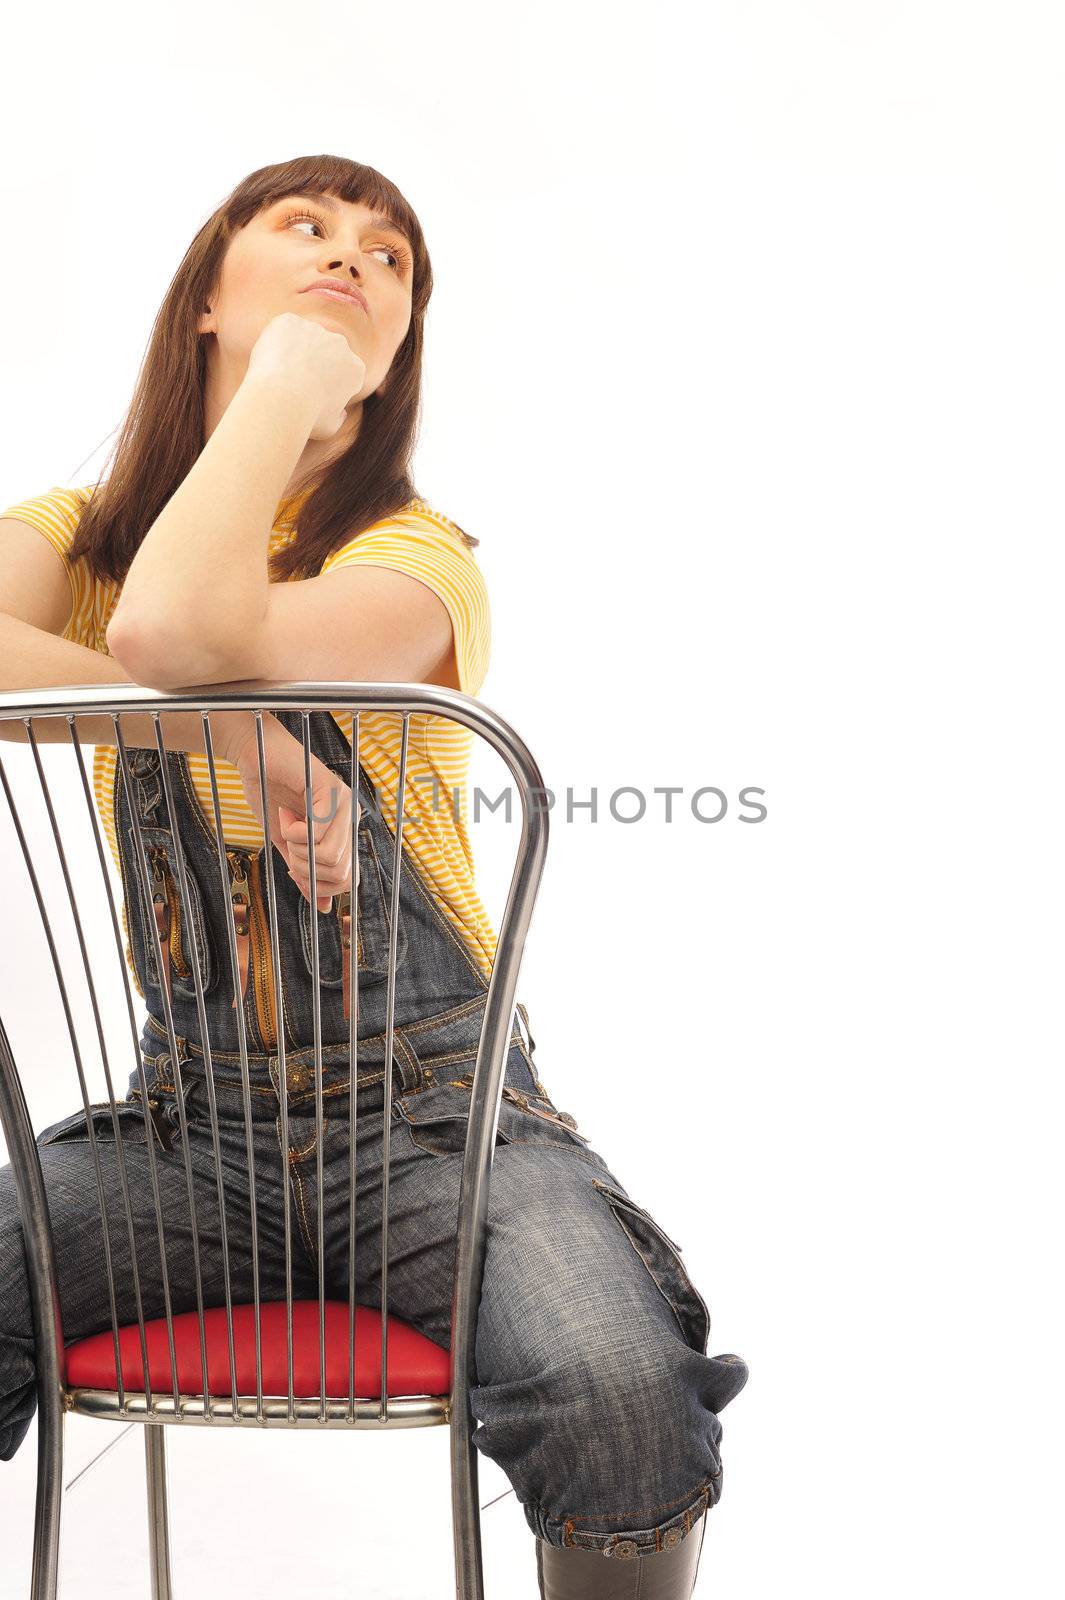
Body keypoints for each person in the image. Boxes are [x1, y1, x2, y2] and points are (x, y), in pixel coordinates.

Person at [0, 154, 748, 1598]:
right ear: (204, 293)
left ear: (396, 348)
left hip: (439, 1129)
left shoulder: (417, 561)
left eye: (390, 259)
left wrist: (285, 383)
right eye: (306, 228)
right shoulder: (73, 537)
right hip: (185, 1138)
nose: (353, 257)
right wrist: (259, 747)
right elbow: (154, 629)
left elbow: (174, 628)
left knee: (610, 1384)